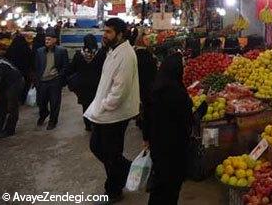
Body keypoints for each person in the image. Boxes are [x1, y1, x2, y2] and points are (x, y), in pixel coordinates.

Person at [84, 18, 139, 204]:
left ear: (120, 34)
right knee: (99, 148)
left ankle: (114, 190)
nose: (104, 35)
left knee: (110, 153)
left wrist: (105, 105)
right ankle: (126, 169)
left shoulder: (126, 55)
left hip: (115, 113)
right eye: (104, 31)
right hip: (106, 111)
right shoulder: (113, 51)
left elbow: (120, 90)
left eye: (108, 32)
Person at [143, 53, 205, 205]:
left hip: (158, 149)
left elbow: (146, 118)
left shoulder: (154, 90)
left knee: (158, 188)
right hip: (175, 151)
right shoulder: (178, 94)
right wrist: (205, 106)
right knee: (170, 191)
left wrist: (147, 139)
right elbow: (190, 120)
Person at [67, 34, 106, 131]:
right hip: (97, 84)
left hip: (83, 84)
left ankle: (87, 125)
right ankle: (95, 122)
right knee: (96, 104)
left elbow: (72, 69)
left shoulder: (79, 54)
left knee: (85, 105)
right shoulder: (100, 54)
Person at [35, 27, 69, 130]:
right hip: (42, 81)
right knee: (41, 102)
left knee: (55, 103)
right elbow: (36, 66)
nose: (47, 41)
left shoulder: (61, 51)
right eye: (46, 39)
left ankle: (52, 121)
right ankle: (44, 113)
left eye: (49, 39)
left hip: (55, 81)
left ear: (55, 40)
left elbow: (65, 66)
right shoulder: (40, 51)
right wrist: (36, 80)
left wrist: (59, 76)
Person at [0, 55, 25, 138]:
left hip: (15, 82)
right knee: (0, 107)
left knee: (11, 106)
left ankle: (9, 130)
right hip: (3, 83)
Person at [5, 34, 34, 104]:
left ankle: (14, 99)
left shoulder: (10, 49)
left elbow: (6, 59)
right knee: (26, 85)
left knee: (14, 87)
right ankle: (22, 99)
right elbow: (31, 60)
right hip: (25, 71)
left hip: (13, 71)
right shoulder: (26, 48)